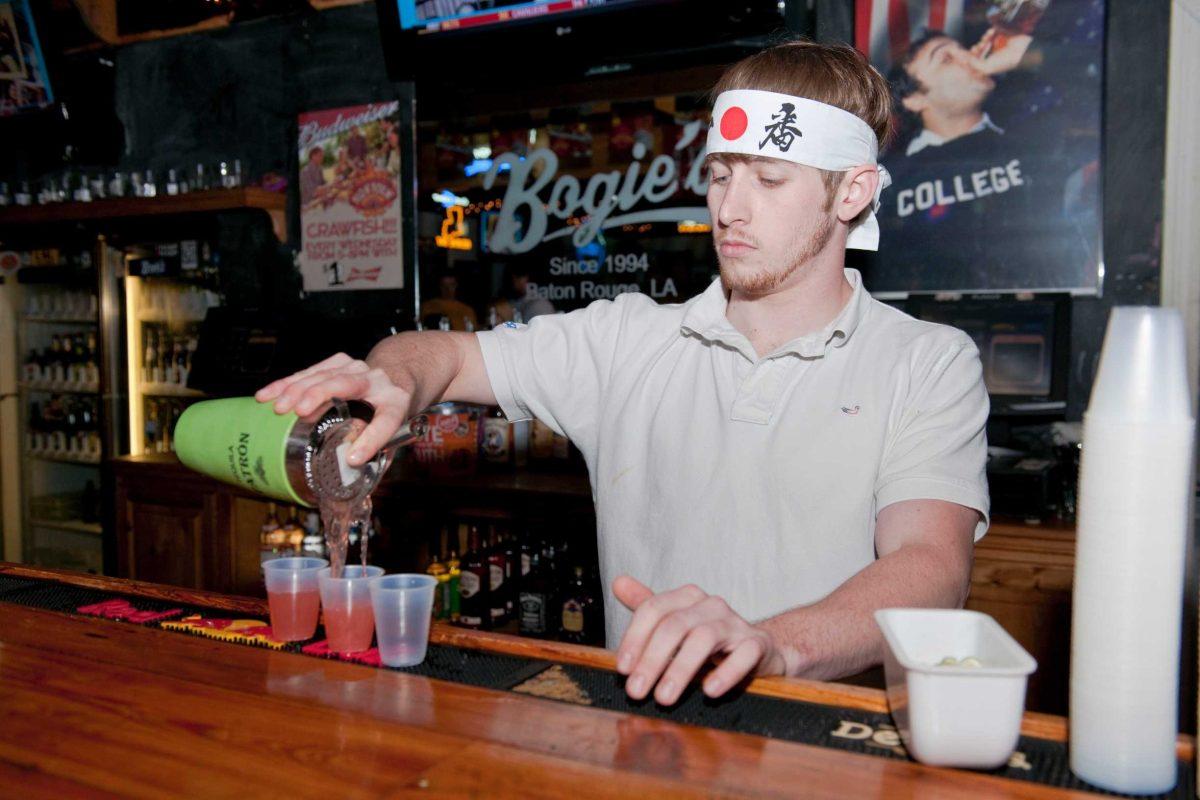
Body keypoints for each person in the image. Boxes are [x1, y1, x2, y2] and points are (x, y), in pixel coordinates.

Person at [257, 40, 988, 707]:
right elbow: (441, 355)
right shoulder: (626, 340)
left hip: (824, 757)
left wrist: (771, 646)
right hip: (642, 740)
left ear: (853, 194)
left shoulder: (927, 361)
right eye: (721, 174)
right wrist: (392, 379)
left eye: (769, 179)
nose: (729, 209)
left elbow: (931, 567)